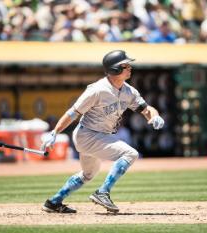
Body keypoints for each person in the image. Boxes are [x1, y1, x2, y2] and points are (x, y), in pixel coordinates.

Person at [40, 50, 164, 214]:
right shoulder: (97, 90)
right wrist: (55, 132)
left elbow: (146, 109)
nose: (130, 68)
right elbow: (73, 113)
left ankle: (53, 202)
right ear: (115, 69)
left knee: (88, 174)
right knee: (130, 154)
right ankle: (102, 192)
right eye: (125, 65)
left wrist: (154, 116)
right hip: (88, 135)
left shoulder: (129, 91)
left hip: (99, 136)